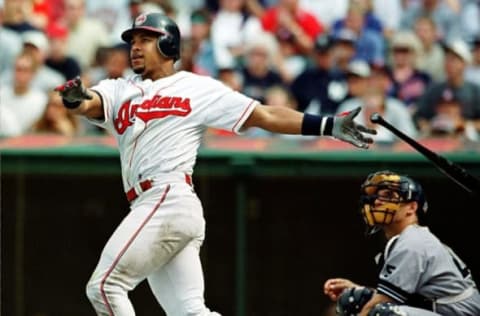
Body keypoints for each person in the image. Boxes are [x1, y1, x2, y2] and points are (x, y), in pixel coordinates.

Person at [54, 12, 376, 316]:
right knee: (190, 312)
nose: (135, 47)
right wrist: (74, 99)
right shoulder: (119, 89)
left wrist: (326, 125)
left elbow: (263, 114)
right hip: (155, 206)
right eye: (133, 40)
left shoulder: (196, 88)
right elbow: (88, 104)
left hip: (168, 197)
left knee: (105, 286)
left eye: (146, 39)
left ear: (168, 44)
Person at [324, 170, 480, 315]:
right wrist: (357, 289)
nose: (377, 201)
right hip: (440, 309)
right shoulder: (407, 238)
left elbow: (382, 303)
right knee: (356, 299)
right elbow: (403, 297)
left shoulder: (412, 242)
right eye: (376, 196)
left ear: (411, 207)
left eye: (388, 195)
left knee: (382, 313)